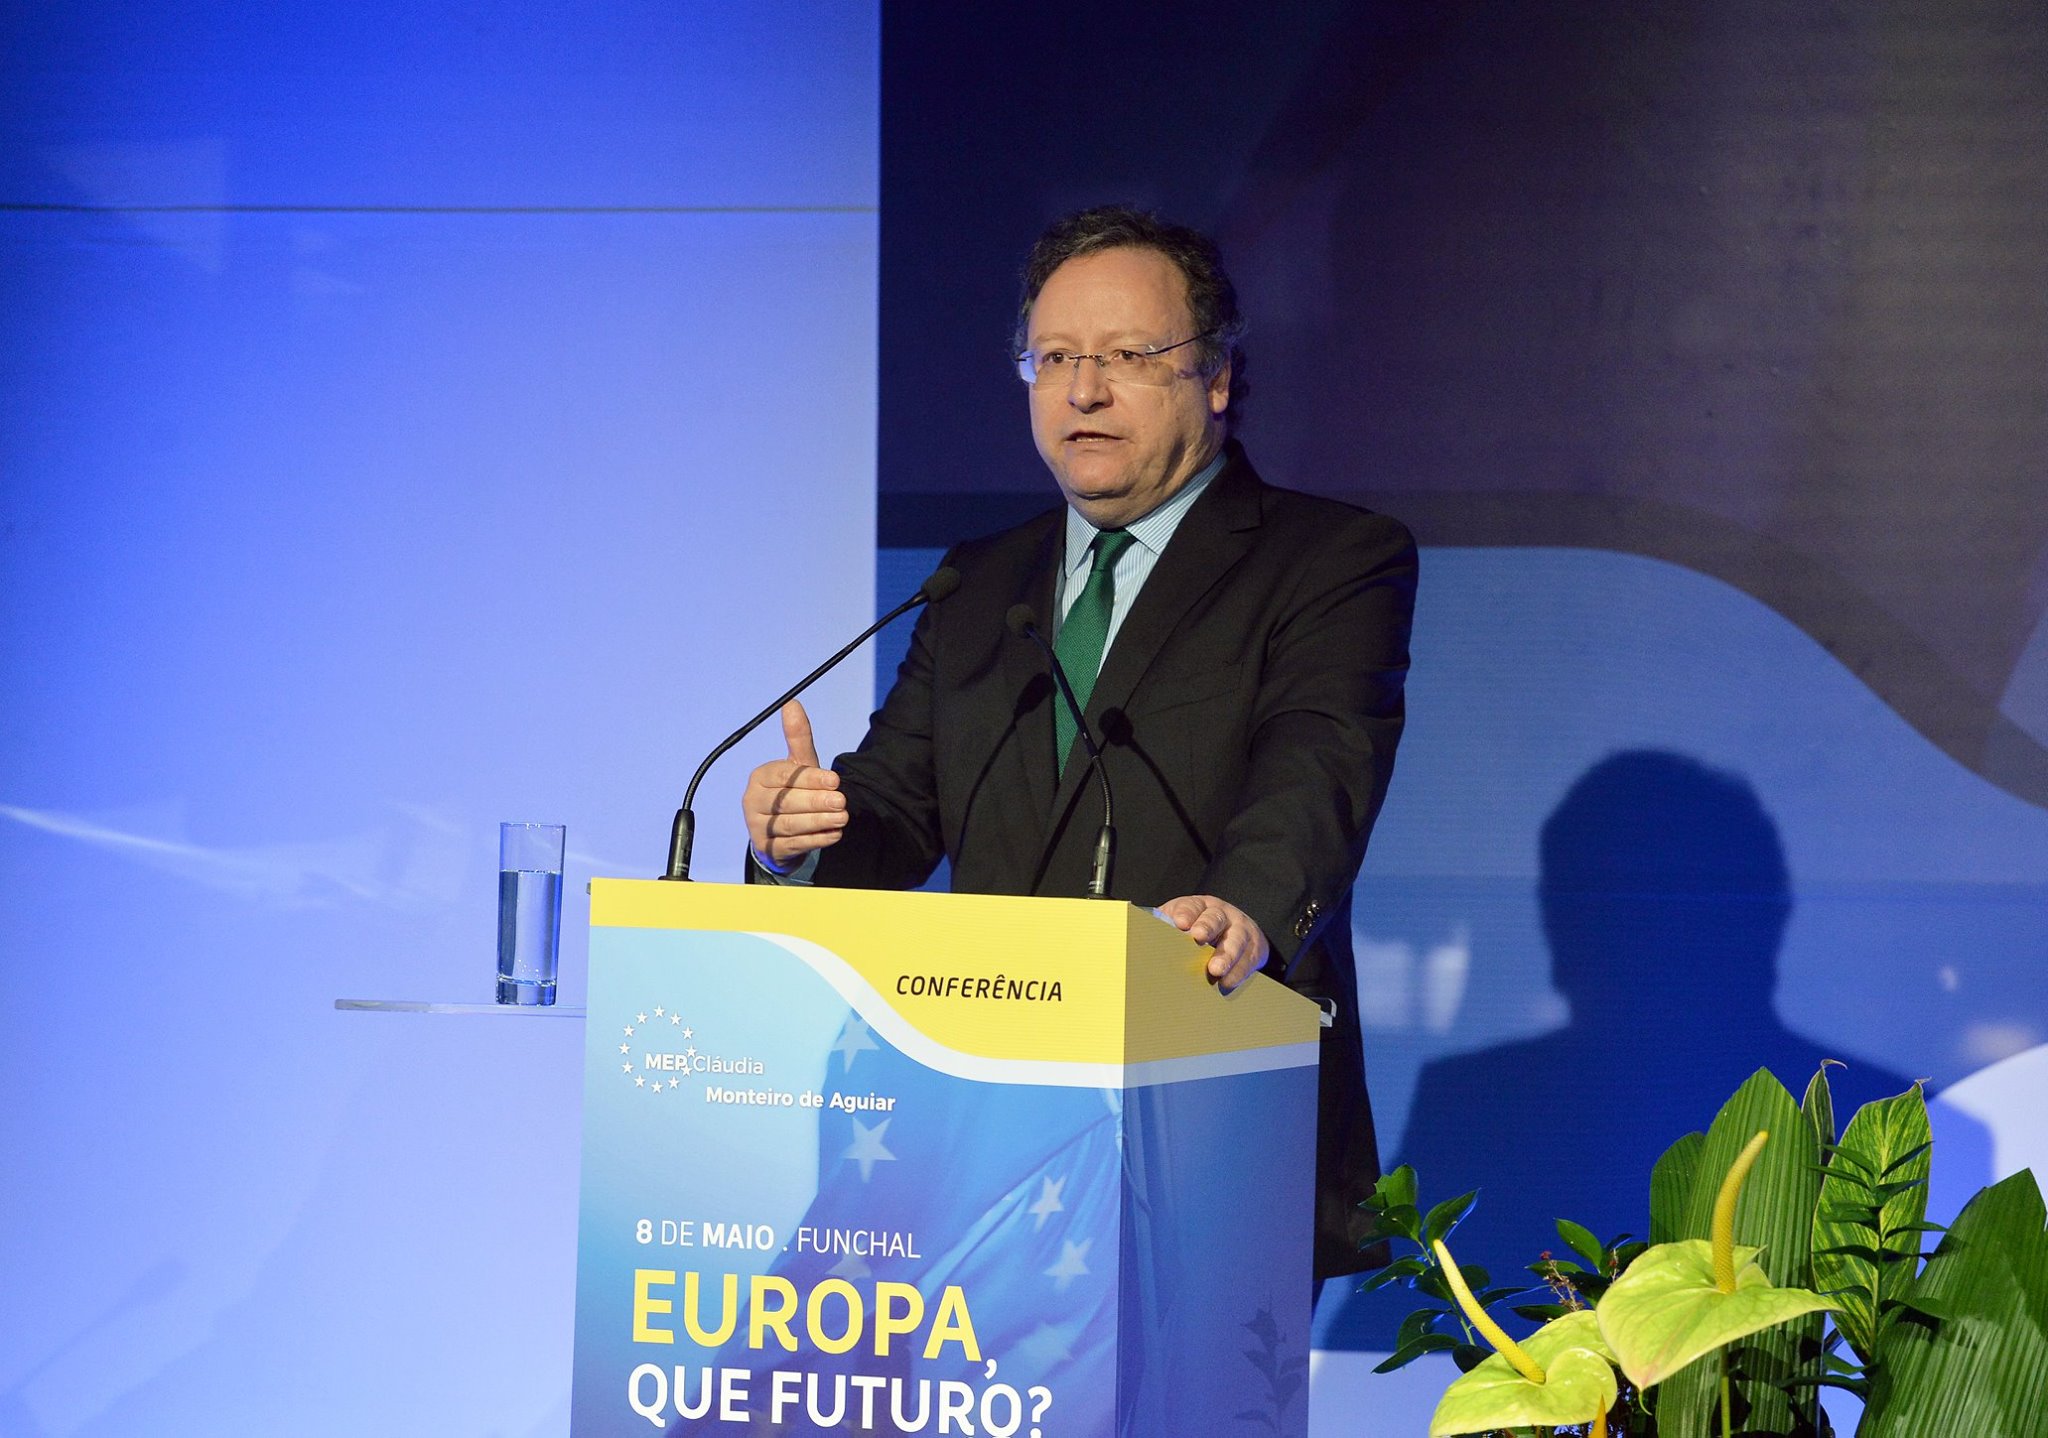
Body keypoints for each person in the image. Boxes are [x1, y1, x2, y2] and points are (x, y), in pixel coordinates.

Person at [740, 205, 1418, 1280]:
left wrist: (1242, 908)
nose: (1083, 391)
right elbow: (897, 810)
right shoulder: (976, 582)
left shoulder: (1328, 559)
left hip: (1205, 1111)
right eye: (1054, 357)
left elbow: (1318, 769)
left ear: (1215, 377)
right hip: (980, 1143)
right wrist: (800, 837)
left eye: (1126, 356)